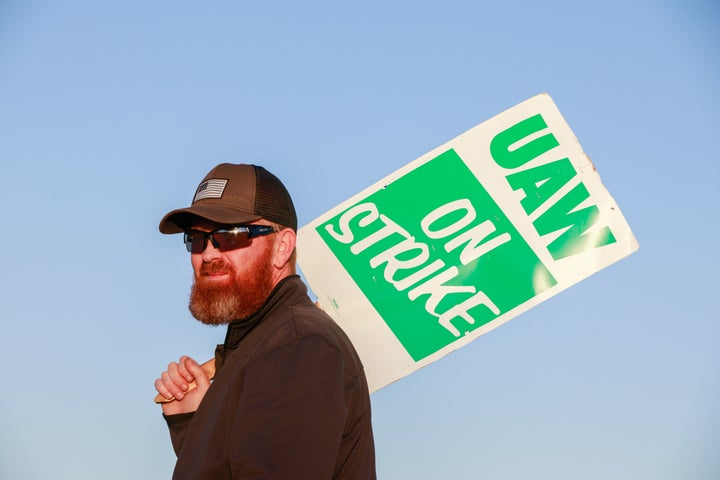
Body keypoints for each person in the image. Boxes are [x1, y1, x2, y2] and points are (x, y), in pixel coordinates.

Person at [153, 163, 376, 479]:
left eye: (230, 235)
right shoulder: (260, 347)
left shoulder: (297, 347)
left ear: (282, 247)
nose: (208, 254)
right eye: (197, 239)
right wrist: (195, 427)